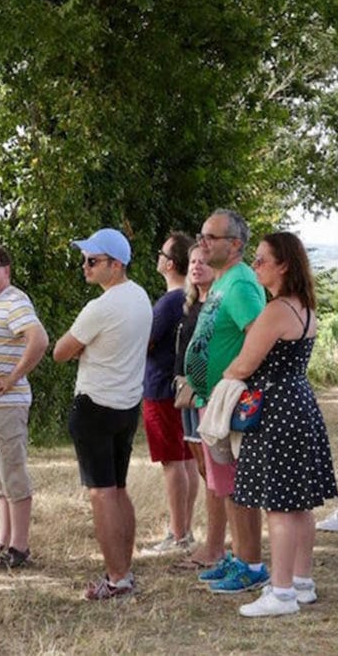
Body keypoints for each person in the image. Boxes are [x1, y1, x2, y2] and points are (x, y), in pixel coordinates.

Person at [224, 232, 338, 617]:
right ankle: (301, 583)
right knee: (300, 503)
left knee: (279, 505)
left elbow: (244, 364)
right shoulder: (304, 307)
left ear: (283, 265)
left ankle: (282, 591)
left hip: (274, 409)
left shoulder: (276, 311)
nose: (254, 266)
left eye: (260, 260)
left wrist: (224, 378)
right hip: (299, 402)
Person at [53, 228, 152, 600]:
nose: (85, 267)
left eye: (93, 261)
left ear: (116, 264)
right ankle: (124, 570)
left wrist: (83, 348)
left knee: (102, 495)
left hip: (95, 405)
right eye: (84, 260)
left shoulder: (101, 307)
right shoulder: (140, 296)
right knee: (119, 489)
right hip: (127, 405)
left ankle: (117, 578)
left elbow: (61, 351)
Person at [184, 209, 268, 594]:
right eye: (201, 236)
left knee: (239, 487)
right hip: (213, 402)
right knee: (226, 486)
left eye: (211, 238)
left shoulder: (241, 285)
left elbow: (260, 336)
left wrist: (234, 376)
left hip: (231, 402)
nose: (202, 243)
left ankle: (251, 565)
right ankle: (238, 556)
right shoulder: (222, 281)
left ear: (235, 244)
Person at [0, 242, 49, 569]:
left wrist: (14, 376)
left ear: (6, 270)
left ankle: (19, 547)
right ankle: (4, 538)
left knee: (12, 475)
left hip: (5, 403)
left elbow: (39, 339)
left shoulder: (14, 300)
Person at [141, 232, 199, 555]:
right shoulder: (187, 298)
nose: (158, 257)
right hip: (178, 387)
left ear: (170, 263)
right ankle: (184, 529)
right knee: (187, 458)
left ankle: (177, 535)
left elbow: (144, 343)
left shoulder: (167, 302)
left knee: (172, 462)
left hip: (160, 387)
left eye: (161, 252)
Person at [175, 243, 227, 570]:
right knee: (203, 470)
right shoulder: (190, 305)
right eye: (192, 261)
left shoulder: (221, 304)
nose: (196, 266)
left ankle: (216, 546)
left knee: (214, 474)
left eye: (203, 261)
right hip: (186, 397)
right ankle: (214, 543)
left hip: (208, 398)